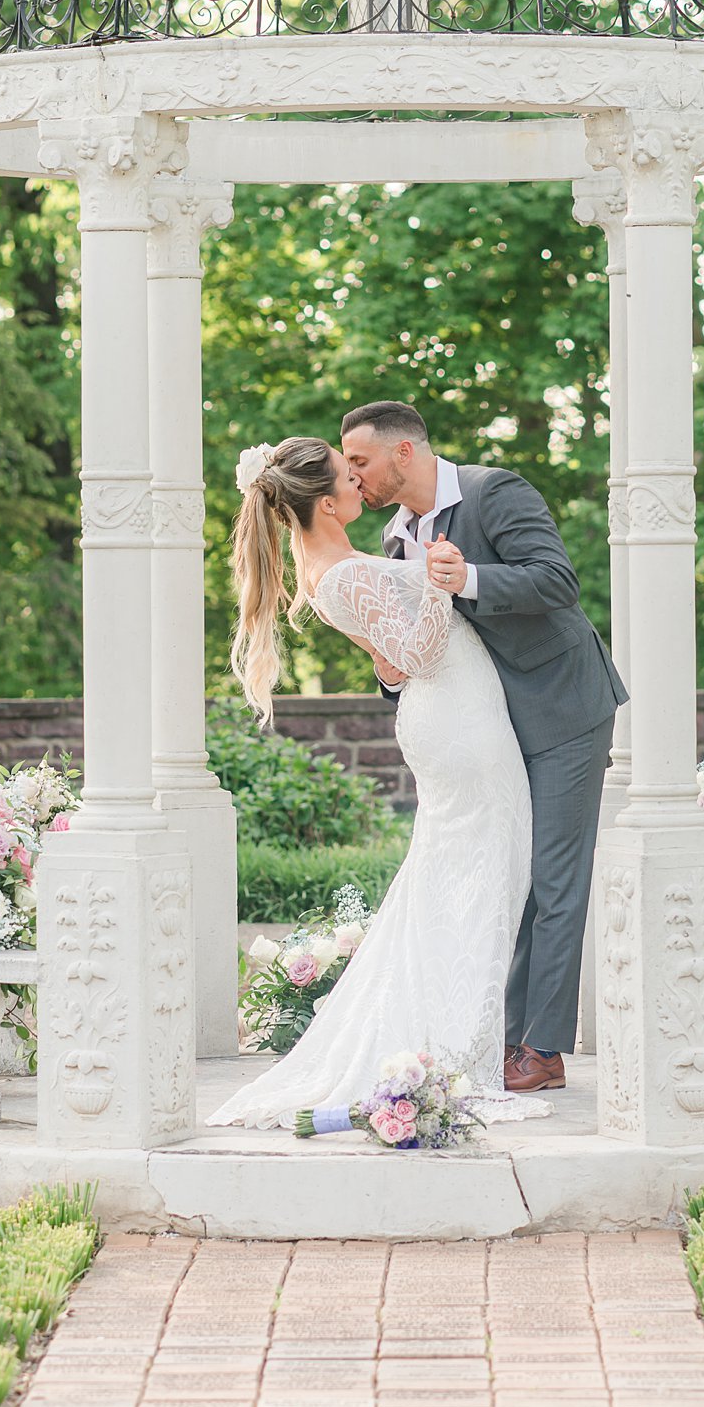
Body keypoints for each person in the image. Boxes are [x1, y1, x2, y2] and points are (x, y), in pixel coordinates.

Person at [207, 434, 544, 1131]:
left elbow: (389, 660)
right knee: (482, 874)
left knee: (457, 879)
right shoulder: (342, 572)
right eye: (347, 478)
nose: (362, 484)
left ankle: (447, 1044)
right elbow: (419, 653)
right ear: (327, 503)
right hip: (457, 722)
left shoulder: (328, 565)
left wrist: (422, 585)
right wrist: (441, 576)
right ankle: (457, 1052)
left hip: (454, 717)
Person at [341, 401, 625, 1092]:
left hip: (561, 707)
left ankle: (542, 1048)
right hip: (486, 723)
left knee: (555, 878)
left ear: (402, 453)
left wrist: (464, 576)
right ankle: (502, 1034)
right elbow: (418, 645)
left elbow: (558, 580)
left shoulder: (495, 490)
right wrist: (388, 673)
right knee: (510, 873)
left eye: (359, 461)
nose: (354, 476)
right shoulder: (392, 538)